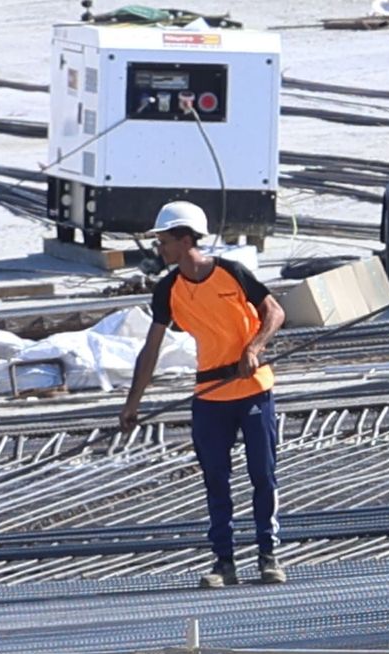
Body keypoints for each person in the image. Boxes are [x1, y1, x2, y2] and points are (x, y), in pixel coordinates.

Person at [118, 201, 287, 589]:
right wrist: (132, 405)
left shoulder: (231, 272)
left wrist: (253, 348)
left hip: (253, 390)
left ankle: (268, 556)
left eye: (163, 240)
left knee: (262, 474)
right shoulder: (168, 291)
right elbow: (151, 349)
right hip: (210, 395)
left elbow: (274, 311)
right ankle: (224, 562)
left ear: (185, 238)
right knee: (216, 479)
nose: (159, 247)